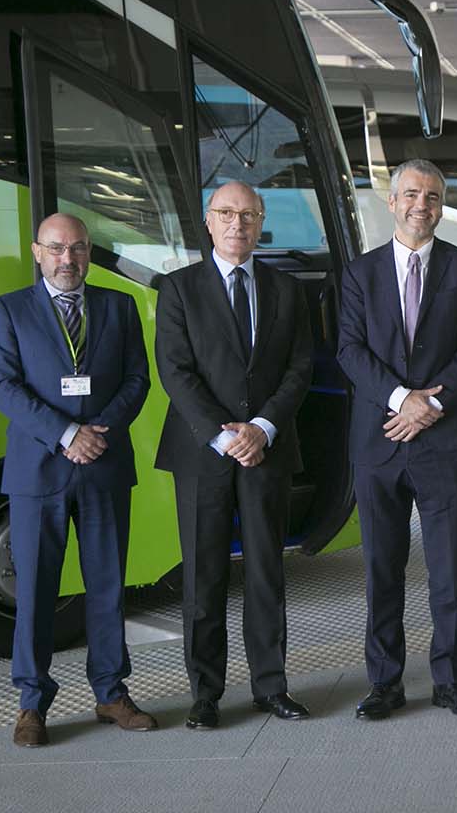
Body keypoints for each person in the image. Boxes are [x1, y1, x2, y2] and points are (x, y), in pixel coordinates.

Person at [0, 213, 155, 747]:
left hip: (103, 462)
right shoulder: (8, 310)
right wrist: (65, 434)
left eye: (78, 248)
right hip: (39, 470)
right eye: (57, 248)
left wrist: (99, 431)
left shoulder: (119, 306)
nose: (68, 259)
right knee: (34, 589)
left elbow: (137, 378)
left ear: (88, 253)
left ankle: (111, 693)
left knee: (107, 585)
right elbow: (4, 386)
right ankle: (32, 704)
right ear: (38, 252)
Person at [155, 181, 315, 730]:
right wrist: (226, 435)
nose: (237, 224)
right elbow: (175, 371)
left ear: (260, 221)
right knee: (204, 577)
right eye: (226, 212)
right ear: (207, 219)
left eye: (248, 214)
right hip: (205, 453)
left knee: (268, 572)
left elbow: (301, 367)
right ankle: (205, 695)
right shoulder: (178, 289)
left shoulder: (287, 290)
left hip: (266, 450)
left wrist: (263, 428)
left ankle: (271, 687)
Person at [337, 159, 457, 721]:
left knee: (448, 570)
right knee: (382, 566)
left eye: (431, 195)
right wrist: (405, 400)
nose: (420, 205)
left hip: (445, 442)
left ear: (441, 204)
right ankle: (385, 684)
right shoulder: (359, 273)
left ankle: (452, 682)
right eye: (410, 194)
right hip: (380, 440)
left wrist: (434, 404)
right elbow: (350, 351)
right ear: (391, 201)